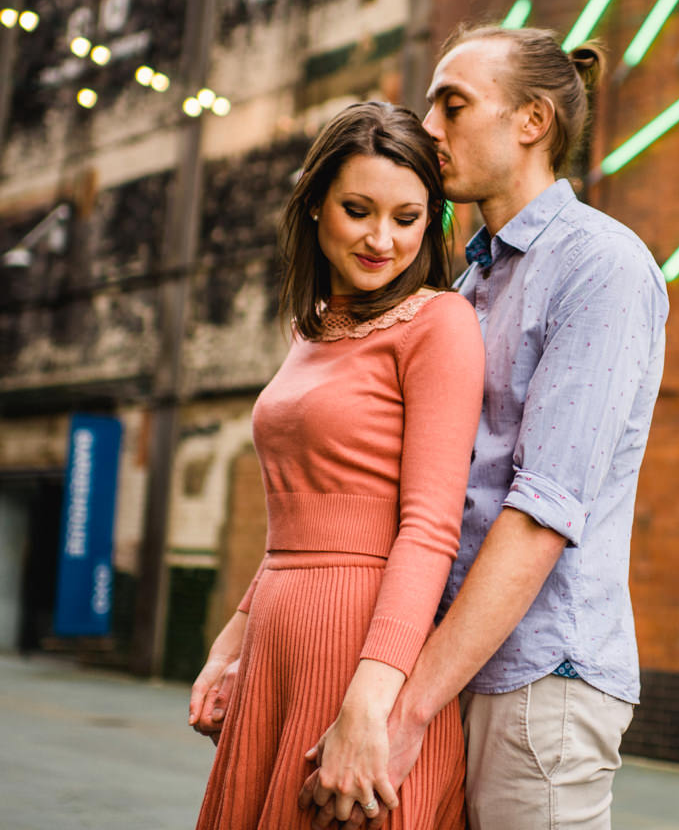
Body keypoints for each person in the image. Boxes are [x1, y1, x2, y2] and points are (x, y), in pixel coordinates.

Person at [301, 26, 668, 829]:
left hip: (541, 681)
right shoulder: (469, 278)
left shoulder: (600, 265)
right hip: (450, 669)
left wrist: (404, 710)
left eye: (453, 102)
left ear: (531, 122)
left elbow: (543, 513)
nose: (428, 125)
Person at [189, 101, 483, 829]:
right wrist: (232, 642)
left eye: (408, 218)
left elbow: (429, 528)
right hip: (276, 645)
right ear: (316, 202)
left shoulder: (438, 324)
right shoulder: (310, 328)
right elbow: (294, 518)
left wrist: (370, 704)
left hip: (364, 645)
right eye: (358, 210)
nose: (383, 238)